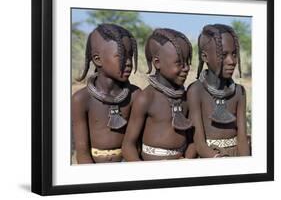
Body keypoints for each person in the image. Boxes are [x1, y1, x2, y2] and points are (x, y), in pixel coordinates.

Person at [122, 28, 197, 161]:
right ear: (157, 63)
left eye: (187, 62)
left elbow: (193, 140)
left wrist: (187, 161)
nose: (185, 68)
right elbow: (129, 145)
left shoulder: (186, 97)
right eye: (179, 63)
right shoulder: (146, 98)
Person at [72, 23, 140, 163]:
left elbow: (137, 144)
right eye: (120, 56)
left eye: (130, 56)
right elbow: (82, 152)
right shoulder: (81, 99)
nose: (128, 62)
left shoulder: (135, 95)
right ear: (98, 60)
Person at [187, 24, 250, 158]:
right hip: (209, 158)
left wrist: (245, 166)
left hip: (235, 156)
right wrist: (218, 161)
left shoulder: (239, 92)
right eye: (224, 55)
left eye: (234, 54)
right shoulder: (195, 91)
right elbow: (199, 142)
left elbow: (242, 138)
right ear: (205, 57)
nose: (232, 61)